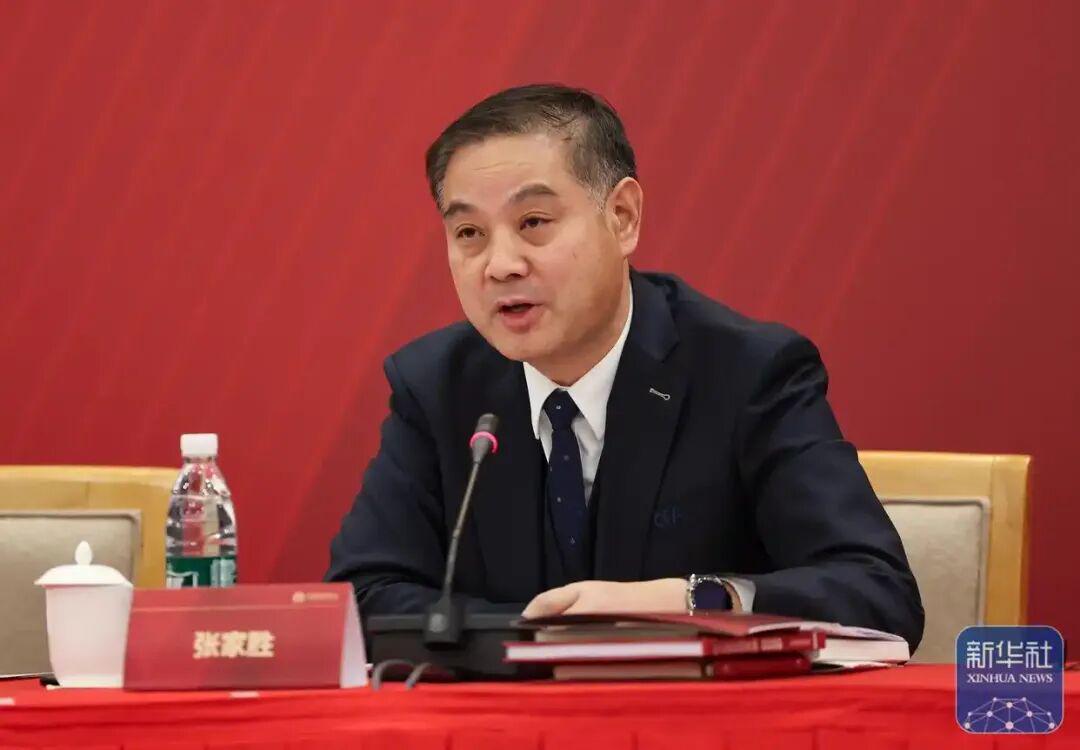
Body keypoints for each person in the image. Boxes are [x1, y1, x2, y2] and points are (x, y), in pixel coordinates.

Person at [326, 84, 924, 649]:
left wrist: (693, 601)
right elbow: (360, 599)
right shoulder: (436, 388)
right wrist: (537, 637)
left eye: (533, 223)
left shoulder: (747, 374)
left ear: (623, 217)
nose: (500, 264)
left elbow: (876, 592)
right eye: (468, 232)